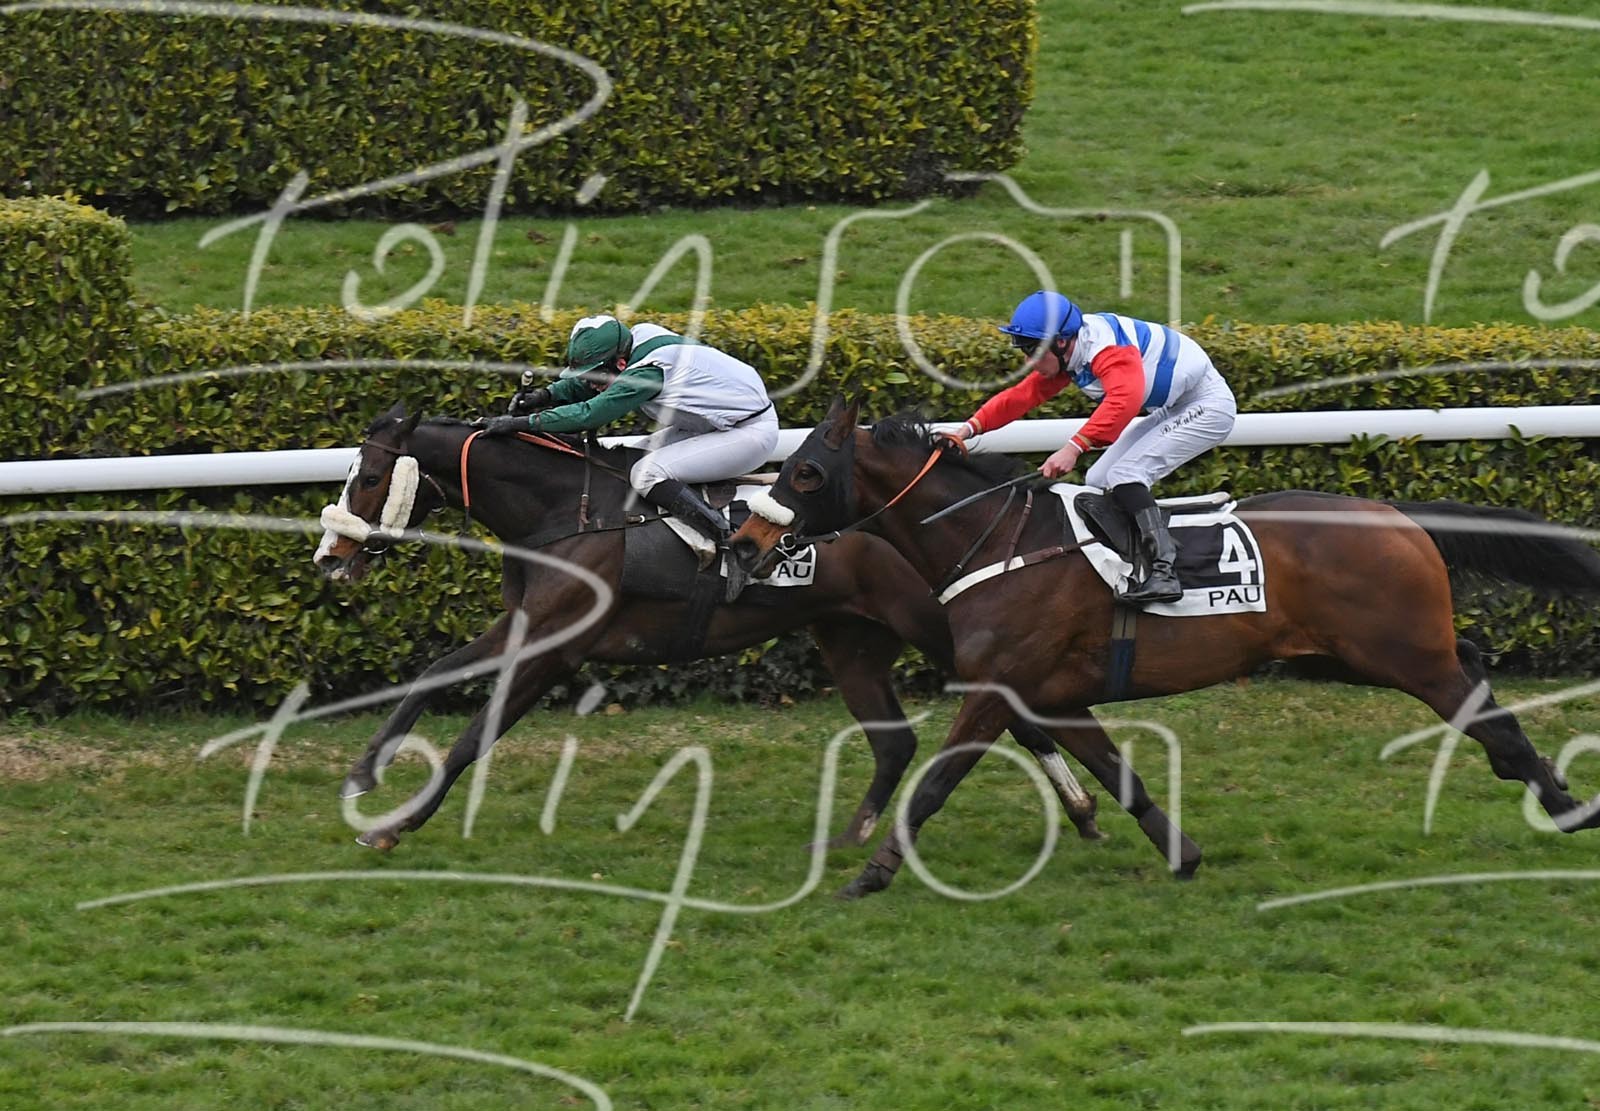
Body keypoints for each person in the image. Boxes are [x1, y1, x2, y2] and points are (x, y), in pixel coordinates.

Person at [951, 290, 1237, 605]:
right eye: (1025, 350)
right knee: (1098, 479)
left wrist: (1073, 448)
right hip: (1175, 407)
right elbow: (1021, 396)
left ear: (1061, 342)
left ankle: (1165, 572)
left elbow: (1124, 401)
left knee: (1126, 475)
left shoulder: (1106, 350)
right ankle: (1131, 561)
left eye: (1033, 350)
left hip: (1207, 406)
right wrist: (967, 430)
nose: (1029, 361)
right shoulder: (1070, 351)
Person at [480, 314, 778, 551]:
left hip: (749, 433)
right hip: (713, 425)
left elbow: (591, 413)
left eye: (595, 376)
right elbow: (591, 384)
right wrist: (546, 395)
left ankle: (726, 540)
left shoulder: (647, 373)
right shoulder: (632, 342)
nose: (590, 384)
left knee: (646, 475)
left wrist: (525, 422)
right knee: (630, 462)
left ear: (621, 363)